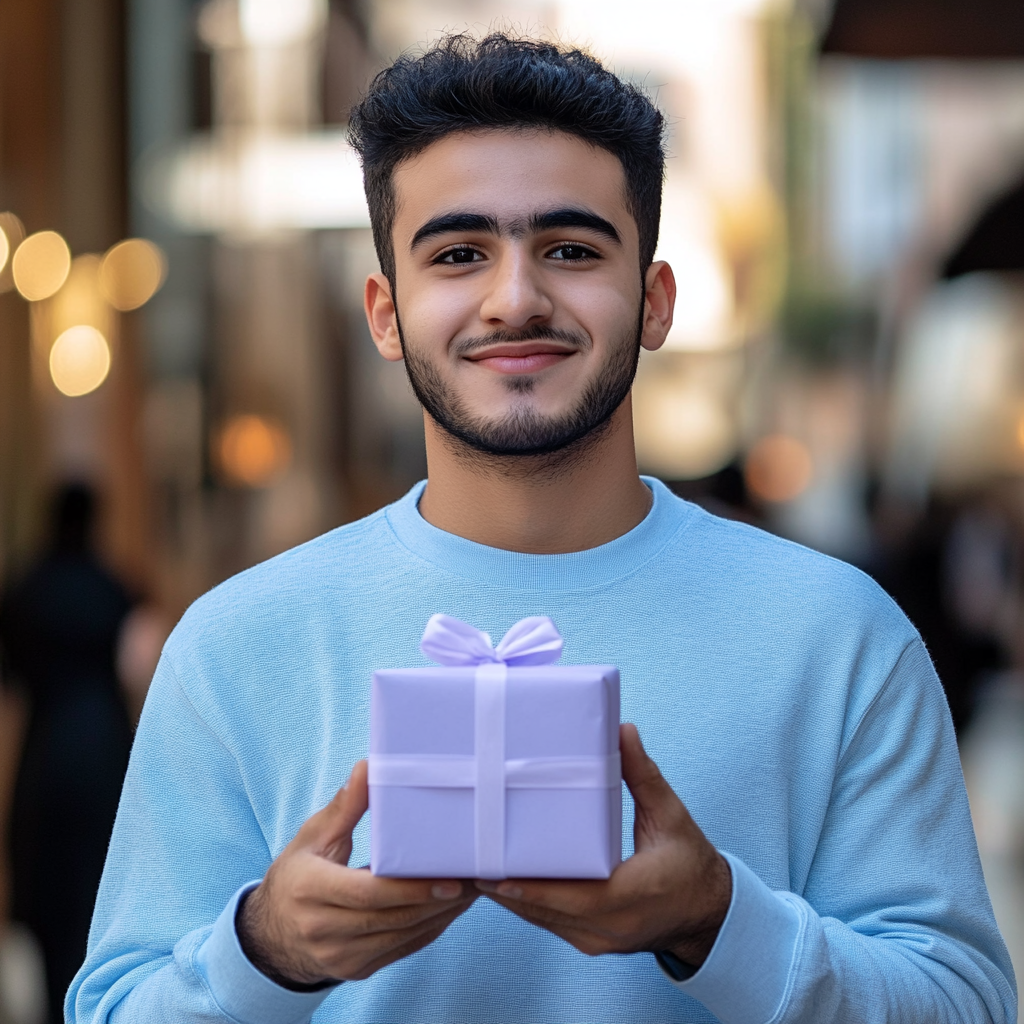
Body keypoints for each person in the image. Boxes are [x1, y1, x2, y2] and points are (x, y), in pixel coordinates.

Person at [69, 34, 1015, 1024]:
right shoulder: (232, 647)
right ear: (385, 314)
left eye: (569, 249)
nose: (514, 297)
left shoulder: (839, 635)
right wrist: (265, 950)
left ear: (652, 302)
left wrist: (717, 918)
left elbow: (967, 1006)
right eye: (458, 253)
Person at [0, 483, 134, 1023]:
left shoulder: (25, 589)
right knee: (98, 886)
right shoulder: (113, 589)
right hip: (103, 752)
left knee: (50, 894)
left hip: (45, 752)